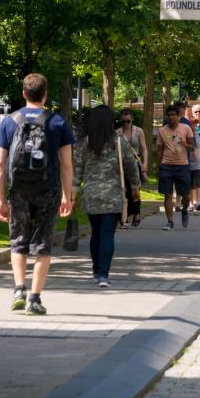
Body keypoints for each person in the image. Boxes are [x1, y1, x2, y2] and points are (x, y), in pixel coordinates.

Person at [0, 73, 75, 315]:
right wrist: (66, 195)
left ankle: (18, 289)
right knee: (42, 245)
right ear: (45, 94)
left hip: (18, 190)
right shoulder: (57, 122)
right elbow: (66, 164)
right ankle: (34, 299)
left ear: (24, 94)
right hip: (47, 190)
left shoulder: (9, 122)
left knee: (18, 241)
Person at [74, 105, 140, 286]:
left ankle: (96, 270)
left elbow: (77, 170)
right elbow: (131, 167)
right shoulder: (119, 142)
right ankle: (103, 275)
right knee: (107, 235)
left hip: (90, 196)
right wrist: (135, 186)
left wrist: (72, 193)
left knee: (96, 233)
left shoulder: (84, 144)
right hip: (113, 196)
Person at [156, 105, 194, 230]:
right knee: (167, 194)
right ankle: (170, 221)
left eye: (173, 115)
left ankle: (184, 210)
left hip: (182, 165)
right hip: (166, 166)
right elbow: (160, 149)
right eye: (169, 115)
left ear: (178, 116)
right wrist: (159, 165)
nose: (171, 117)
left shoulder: (186, 128)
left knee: (186, 195)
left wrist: (182, 142)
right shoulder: (162, 131)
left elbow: (192, 147)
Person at [117, 107, 147, 227]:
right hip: (122, 165)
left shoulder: (139, 131)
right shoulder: (117, 133)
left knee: (136, 189)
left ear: (132, 120)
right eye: (123, 121)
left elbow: (144, 148)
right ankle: (125, 214)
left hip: (135, 163)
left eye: (128, 121)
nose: (126, 124)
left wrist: (145, 164)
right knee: (124, 190)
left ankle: (137, 214)